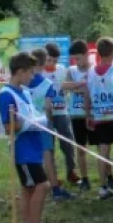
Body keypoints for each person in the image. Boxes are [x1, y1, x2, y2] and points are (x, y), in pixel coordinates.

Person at [0, 52, 51, 223]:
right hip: (23, 150)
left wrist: (40, 120)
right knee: (42, 185)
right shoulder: (6, 95)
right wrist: (32, 124)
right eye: (30, 72)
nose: (33, 77)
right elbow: (8, 127)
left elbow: (32, 115)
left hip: (35, 147)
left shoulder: (25, 92)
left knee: (29, 188)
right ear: (20, 72)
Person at [27, 48, 74, 202]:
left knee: (32, 156)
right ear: (41, 64)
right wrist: (49, 121)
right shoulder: (47, 84)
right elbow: (48, 107)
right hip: (42, 124)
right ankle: (55, 189)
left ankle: (32, 185)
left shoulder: (24, 82)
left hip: (27, 124)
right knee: (47, 155)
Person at [86, 37, 113, 199]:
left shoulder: (91, 71)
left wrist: (88, 114)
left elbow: (87, 94)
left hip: (99, 116)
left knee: (103, 152)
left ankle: (103, 186)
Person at [42, 42, 78, 187]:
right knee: (48, 146)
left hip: (62, 111)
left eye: (55, 61)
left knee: (68, 143)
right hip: (46, 114)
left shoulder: (62, 70)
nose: (52, 63)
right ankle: (52, 177)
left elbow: (66, 86)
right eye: (49, 60)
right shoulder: (39, 72)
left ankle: (71, 171)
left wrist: (76, 85)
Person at [63, 39, 93, 191]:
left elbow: (94, 89)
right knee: (81, 149)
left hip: (93, 115)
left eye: (79, 57)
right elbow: (65, 85)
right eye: (74, 58)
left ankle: (109, 177)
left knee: (103, 148)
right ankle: (85, 179)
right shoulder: (71, 70)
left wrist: (79, 87)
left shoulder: (94, 70)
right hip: (76, 115)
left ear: (87, 54)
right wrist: (81, 86)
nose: (77, 61)